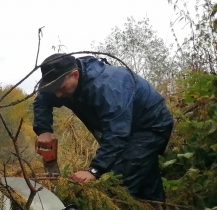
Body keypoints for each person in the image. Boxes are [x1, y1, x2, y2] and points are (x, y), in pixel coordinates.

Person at [33, 53, 174, 202]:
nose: (57, 94)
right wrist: (44, 130)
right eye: (53, 88)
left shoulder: (107, 87)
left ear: (75, 75)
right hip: (122, 127)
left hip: (150, 125)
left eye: (60, 88)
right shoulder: (63, 83)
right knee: (145, 177)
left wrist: (94, 171)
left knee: (119, 181)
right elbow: (42, 100)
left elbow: (117, 134)